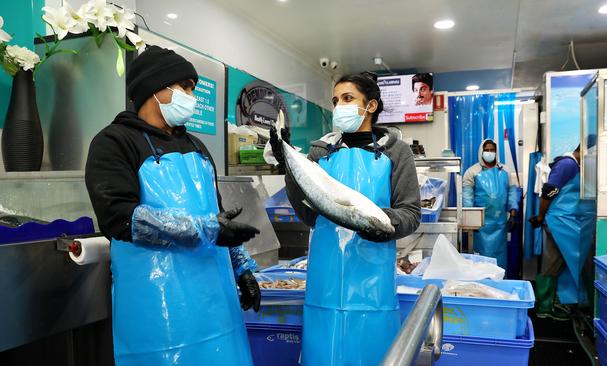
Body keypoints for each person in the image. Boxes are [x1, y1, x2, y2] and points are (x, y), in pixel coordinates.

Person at [85, 45, 261, 366]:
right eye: (184, 87)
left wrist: (242, 268)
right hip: (159, 309)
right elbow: (119, 219)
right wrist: (203, 229)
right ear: (156, 88)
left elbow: (217, 216)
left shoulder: (196, 145)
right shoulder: (114, 142)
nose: (190, 96)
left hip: (217, 304)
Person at [270, 72, 421, 365]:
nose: (339, 106)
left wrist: (382, 224)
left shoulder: (396, 151)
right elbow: (308, 215)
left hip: (373, 280)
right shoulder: (319, 152)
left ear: (371, 106)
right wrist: (288, 166)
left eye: (348, 99)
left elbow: (411, 213)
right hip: (324, 279)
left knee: (370, 354)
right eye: (336, 100)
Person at [529, 145, 596, 317]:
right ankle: (544, 307)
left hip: (570, 222)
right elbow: (549, 191)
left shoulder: (576, 166)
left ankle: (569, 303)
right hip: (559, 223)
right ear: (583, 151)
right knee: (553, 262)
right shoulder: (567, 165)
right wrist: (540, 216)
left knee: (560, 261)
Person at [462, 139, 519, 269]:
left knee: (500, 259)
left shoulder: (505, 170)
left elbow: (512, 192)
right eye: (486, 150)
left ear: (496, 151)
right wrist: (469, 222)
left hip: (500, 223)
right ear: (481, 152)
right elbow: (467, 199)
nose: (489, 152)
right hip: (480, 226)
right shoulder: (472, 172)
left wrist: (513, 213)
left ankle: (500, 282)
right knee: (481, 260)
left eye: (492, 150)